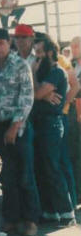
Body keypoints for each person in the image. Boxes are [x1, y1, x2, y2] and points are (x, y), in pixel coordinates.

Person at [0, 28, 40, 236]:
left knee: (25, 175)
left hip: (19, 127)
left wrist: (15, 127)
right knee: (6, 177)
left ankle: (30, 219)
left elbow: (27, 98)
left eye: (2, 43)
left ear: (9, 43)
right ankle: (11, 218)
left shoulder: (20, 65)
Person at [32, 37, 76, 226]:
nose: (37, 56)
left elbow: (36, 94)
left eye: (40, 52)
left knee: (53, 167)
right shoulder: (45, 73)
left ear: (50, 52)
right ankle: (51, 211)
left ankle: (66, 212)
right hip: (40, 124)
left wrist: (33, 76)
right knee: (43, 168)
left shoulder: (57, 72)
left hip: (51, 124)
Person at [69, 36, 81, 203]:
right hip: (75, 114)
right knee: (76, 154)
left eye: (77, 46)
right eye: (72, 46)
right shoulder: (72, 66)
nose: (73, 49)